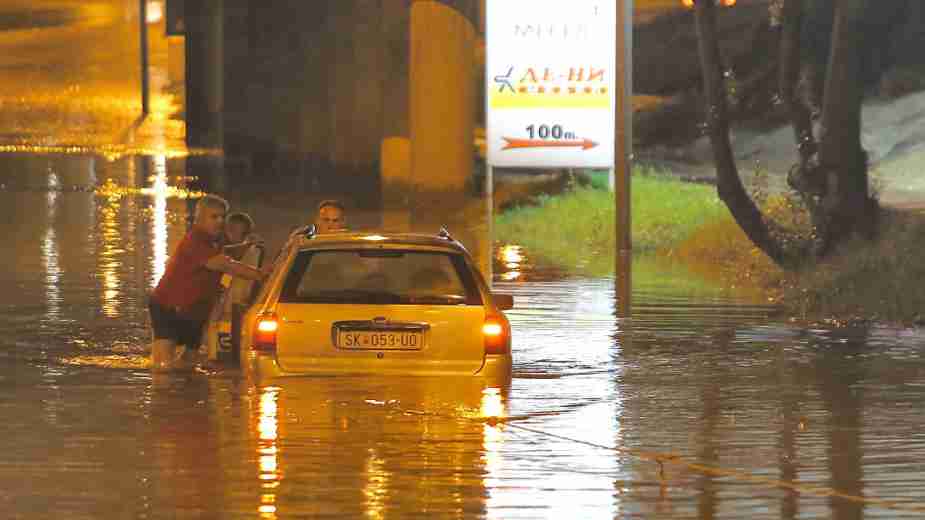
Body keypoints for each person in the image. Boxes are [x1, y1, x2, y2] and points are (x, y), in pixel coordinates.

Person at [148, 194, 269, 371]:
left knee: (189, 362)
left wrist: (247, 247)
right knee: (163, 365)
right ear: (199, 218)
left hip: (195, 310)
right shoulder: (194, 241)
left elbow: (227, 253)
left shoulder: (216, 240)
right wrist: (260, 275)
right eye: (214, 217)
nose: (219, 221)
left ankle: (184, 394)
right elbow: (225, 264)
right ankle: (163, 393)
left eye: (222, 216)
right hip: (169, 306)